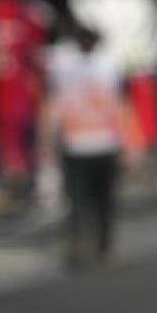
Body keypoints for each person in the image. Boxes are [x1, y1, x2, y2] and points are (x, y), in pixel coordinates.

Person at [40, 24, 135, 270]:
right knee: (76, 200)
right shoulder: (63, 66)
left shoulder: (109, 66)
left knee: (104, 200)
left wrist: (130, 143)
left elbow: (121, 106)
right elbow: (52, 104)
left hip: (104, 144)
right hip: (76, 145)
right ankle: (77, 243)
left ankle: (104, 245)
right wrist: (47, 141)